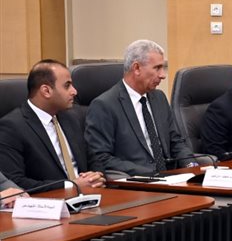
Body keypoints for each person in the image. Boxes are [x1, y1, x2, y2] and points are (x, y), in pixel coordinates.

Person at [85, 39, 197, 176]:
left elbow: (176, 141)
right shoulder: (104, 105)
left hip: (171, 177)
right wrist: (151, 174)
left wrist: (191, 166)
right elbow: (101, 159)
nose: (162, 75)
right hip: (137, 181)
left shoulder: (159, 98)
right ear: (136, 68)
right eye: (157, 68)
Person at [0, 60, 106, 192]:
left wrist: (96, 176)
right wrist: (71, 185)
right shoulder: (11, 127)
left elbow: (93, 159)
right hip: (50, 200)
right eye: (67, 86)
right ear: (46, 91)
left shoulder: (73, 117)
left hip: (90, 195)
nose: (74, 91)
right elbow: (15, 183)